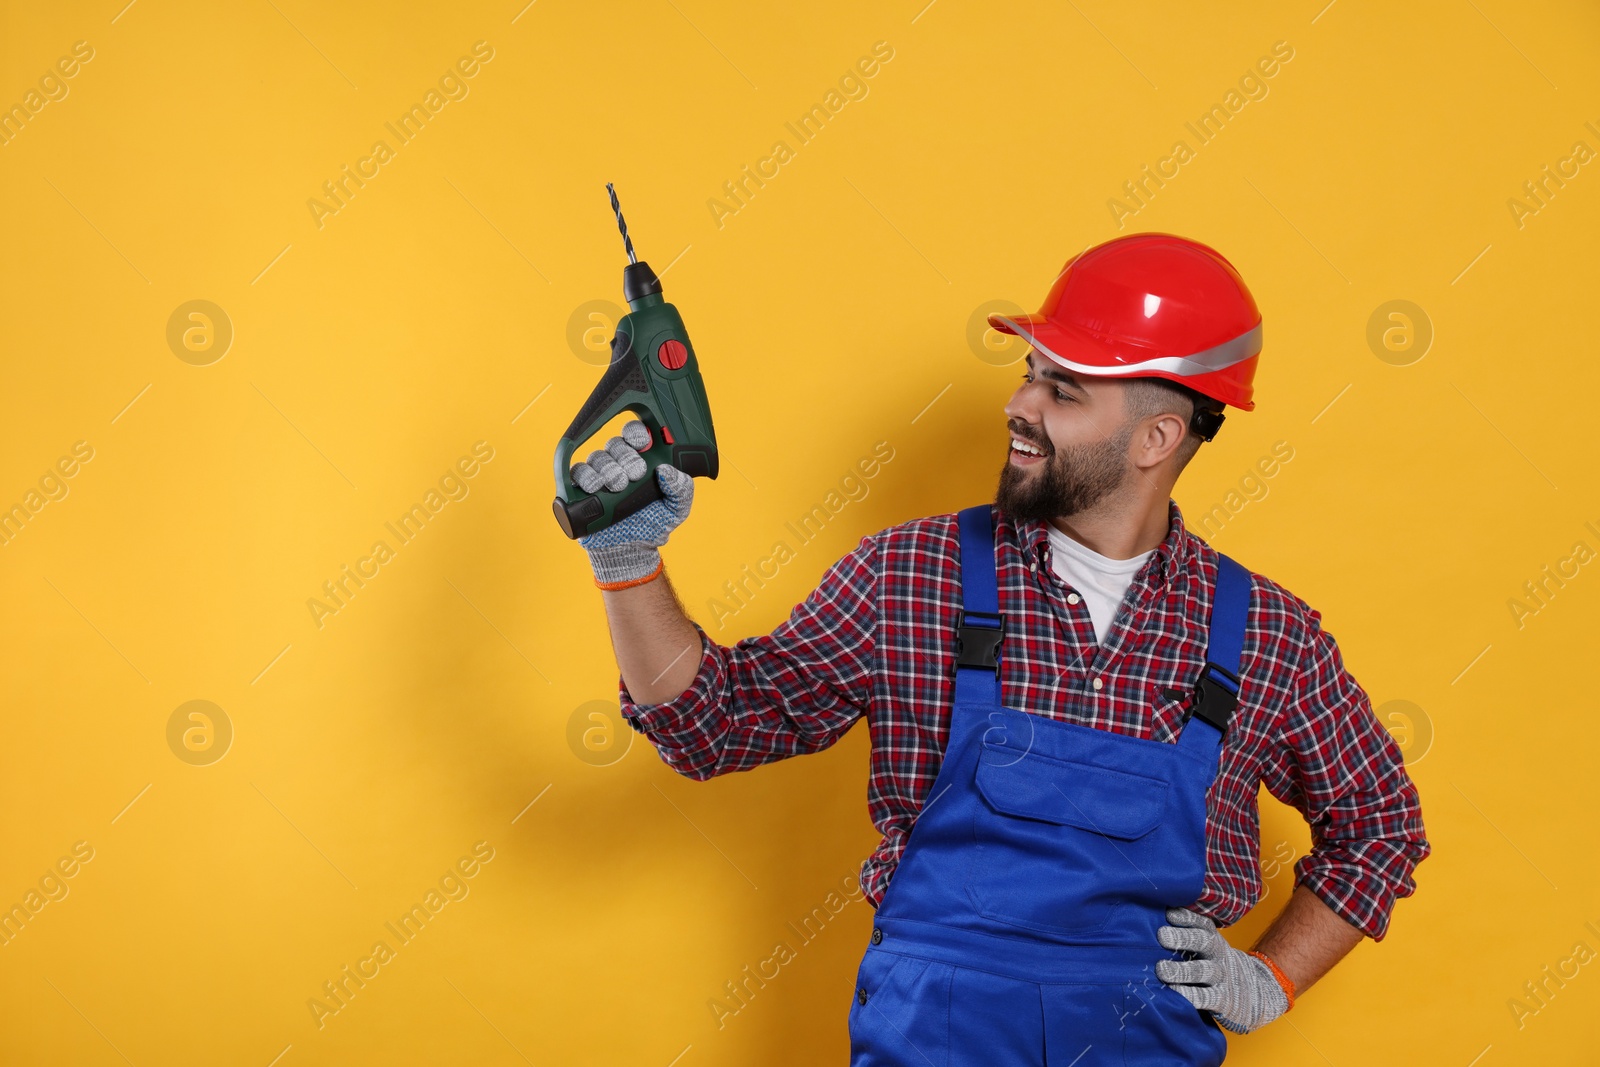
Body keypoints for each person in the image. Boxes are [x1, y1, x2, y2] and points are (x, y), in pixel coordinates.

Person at [570, 233, 1429, 1066]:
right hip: (935, 1038)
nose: (1020, 404)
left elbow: (1381, 826)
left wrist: (1268, 977)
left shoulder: (1266, 636)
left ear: (1156, 438)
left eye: (1063, 390)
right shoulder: (910, 576)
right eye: (1029, 376)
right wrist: (627, 562)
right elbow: (712, 725)